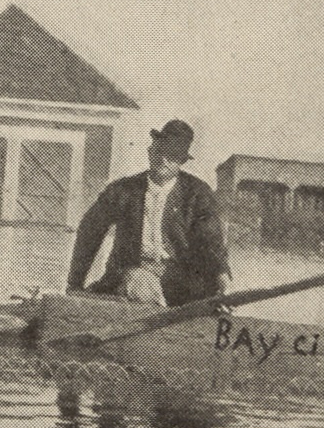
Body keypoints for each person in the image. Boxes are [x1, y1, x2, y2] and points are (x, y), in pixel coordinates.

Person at [66, 119, 230, 307]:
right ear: (150, 151)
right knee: (139, 282)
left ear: (182, 162)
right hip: (131, 275)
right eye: (160, 151)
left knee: (210, 305)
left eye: (172, 156)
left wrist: (222, 277)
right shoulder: (122, 191)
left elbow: (211, 241)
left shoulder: (198, 193)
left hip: (180, 280)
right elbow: (89, 232)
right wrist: (74, 284)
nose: (163, 160)